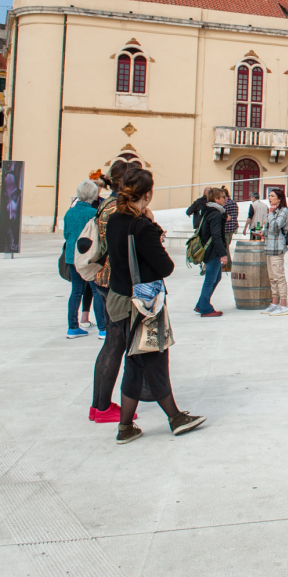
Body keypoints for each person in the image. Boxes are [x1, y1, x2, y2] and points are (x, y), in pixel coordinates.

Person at [105, 168, 205, 444]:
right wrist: (154, 229)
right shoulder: (143, 227)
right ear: (148, 194)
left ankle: (128, 426)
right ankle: (173, 418)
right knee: (152, 359)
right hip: (142, 305)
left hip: (119, 298)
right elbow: (165, 267)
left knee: (138, 360)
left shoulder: (115, 220)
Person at [89, 161, 134, 423]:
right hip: (112, 279)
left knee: (111, 344)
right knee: (115, 344)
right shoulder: (118, 207)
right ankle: (103, 407)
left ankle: (98, 405)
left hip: (102, 278)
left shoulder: (106, 203)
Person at [63, 180, 107, 338]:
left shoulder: (69, 213)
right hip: (89, 257)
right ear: (94, 195)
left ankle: (72, 327)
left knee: (76, 291)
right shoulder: (93, 213)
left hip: (71, 256)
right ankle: (103, 328)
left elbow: (66, 234)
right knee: (96, 291)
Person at [194, 187, 229, 317]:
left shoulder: (208, 211)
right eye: (223, 197)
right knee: (210, 279)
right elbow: (216, 235)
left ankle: (201, 304)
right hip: (213, 251)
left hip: (208, 249)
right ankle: (205, 308)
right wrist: (223, 253)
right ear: (216, 199)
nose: (226, 199)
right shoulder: (215, 214)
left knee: (216, 277)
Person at [263, 188, 288, 314]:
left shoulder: (283, 211)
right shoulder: (273, 211)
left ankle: (283, 306)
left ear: (279, 199)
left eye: (272, 196)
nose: (269, 198)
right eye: (269, 196)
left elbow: (275, 227)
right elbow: (269, 228)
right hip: (269, 247)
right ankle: (274, 303)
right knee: (272, 277)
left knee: (279, 277)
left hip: (277, 248)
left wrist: (270, 214)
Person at [222, 186, 238, 272]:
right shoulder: (234, 202)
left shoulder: (225, 204)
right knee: (226, 245)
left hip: (225, 227)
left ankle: (228, 265)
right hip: (232, 227)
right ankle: (227, 264)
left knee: (225, 247)